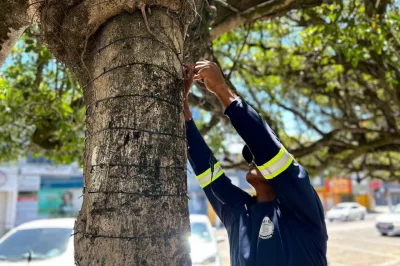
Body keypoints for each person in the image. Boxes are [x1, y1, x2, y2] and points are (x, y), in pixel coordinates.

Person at [184, 61, 328, 266]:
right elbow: (207, 170)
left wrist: (221, 90)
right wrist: (183, 109)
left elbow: (265, 145)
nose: (253, 160)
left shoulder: (301, 210)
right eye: (251, 157)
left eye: (259, 158)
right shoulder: (239, 213)